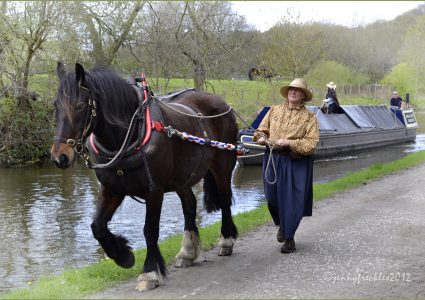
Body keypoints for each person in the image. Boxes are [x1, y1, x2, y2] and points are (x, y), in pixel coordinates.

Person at [253, 78, 320, 254]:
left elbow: (311, 144)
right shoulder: (274, 110)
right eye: (291, 89)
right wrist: (260, 137)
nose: (293, 92)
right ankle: (282, 225)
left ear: (303, 96)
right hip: (272, 160)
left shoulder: (310, 118)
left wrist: (290, 143)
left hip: (295, 162)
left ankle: (289, 239)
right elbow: (260, 130)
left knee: (291, 202)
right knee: (272, 198)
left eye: (297, 90)